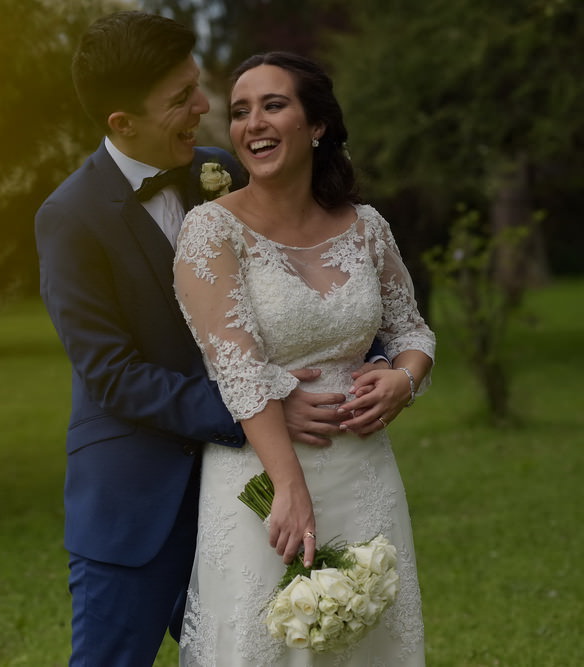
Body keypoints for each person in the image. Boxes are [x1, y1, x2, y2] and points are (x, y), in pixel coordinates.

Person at [35, 13, 399, 665]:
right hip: (136, 503)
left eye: (197, 86)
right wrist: (258, 401)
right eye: (181, 100)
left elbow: (307, 268)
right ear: (123, 123)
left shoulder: (224, 172)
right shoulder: (70, 217)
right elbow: (112, 374)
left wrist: (372, 364)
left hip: (246, 491)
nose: (205, 107)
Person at [173, 51, 436, 665]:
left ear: (315, 124)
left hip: (364, 474)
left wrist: (403, 378)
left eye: (273, 105)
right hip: (262, 478)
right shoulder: (212, 230)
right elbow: (237, 369)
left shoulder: (366, 226)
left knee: (370, 639)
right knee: (262, 643)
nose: (252, 123)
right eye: (240, 112)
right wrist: (288, 488)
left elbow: (413, 330)